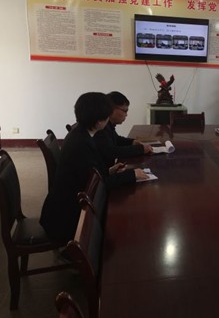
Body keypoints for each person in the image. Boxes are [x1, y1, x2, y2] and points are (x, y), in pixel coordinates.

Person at [40, 92, 148, 244]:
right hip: (66, 218)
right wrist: (132, 175)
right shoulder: (81, 144)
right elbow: (98, 186)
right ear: (99, 122)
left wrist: (109, 171)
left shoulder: (82, 134)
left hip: (66, 205)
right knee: (121, 226)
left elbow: (91, 174)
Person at [95, 91, 153, 167]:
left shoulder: (108, 125)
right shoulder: (101, 126)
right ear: (111, 109)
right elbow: (111, 151)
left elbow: (116, 139)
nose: (126, 115)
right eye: (125, 111)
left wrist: (132, 142)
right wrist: (141, 149)